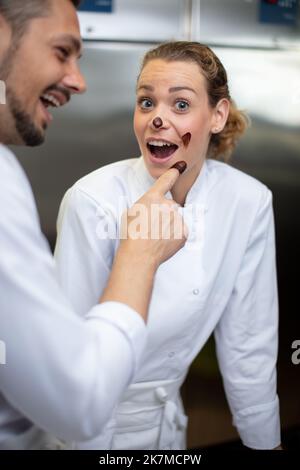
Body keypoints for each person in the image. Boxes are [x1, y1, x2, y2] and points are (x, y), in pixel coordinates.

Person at [55, 41, 282, 450]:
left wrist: (265, 443)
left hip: (169, 430)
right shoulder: (92, 201)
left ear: (217, 115)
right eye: (146, 102)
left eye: (180, 105)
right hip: (89, 432)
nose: (157, 117)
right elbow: (73, 362)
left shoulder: (248, 201)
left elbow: (250, 346)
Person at [0, 0, 187, 450]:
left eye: (182, 103)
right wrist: (138, 255)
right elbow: (79, 402)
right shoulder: (81, 196)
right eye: (62, 51)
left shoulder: (248, 200)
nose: (78, 81)